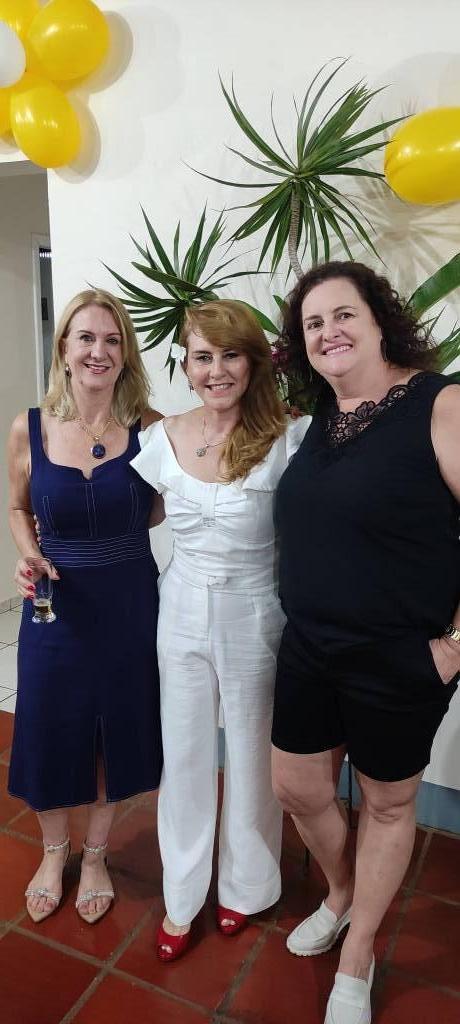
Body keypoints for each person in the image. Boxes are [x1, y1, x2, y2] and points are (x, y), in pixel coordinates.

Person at [271, 260, 460, 1024]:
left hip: (398, 657)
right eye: (313, 324)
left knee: (387, 803)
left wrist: (454, 645)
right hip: (309, 646)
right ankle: (343, 893)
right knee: (297, 787)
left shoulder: (441, 404)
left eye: (343, 314)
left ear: (380, 318)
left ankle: (358, 951)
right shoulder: (322, 416)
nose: (330, 332)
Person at [131, 299, 310, 960]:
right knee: (183, 756)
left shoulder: (288, 438)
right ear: (186, 364)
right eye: (202, 356)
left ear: (254, 361)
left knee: (252, 757)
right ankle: (181, 896)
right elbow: (128, 519)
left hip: (254, 613)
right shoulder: (161, 439)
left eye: (230, 354)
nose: (216, 370)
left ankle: (246, 885)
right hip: (178, 611)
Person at [8, 289, 164, 925]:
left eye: (112, 339)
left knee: (113, 729)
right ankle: (54, 851)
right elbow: (18, 507)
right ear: (65, 349)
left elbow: (162, 508)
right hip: (55, 605)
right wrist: (30, 554)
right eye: (86, 338)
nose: (99, 351)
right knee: (50, 724)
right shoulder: (30, 426)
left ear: (125, 354)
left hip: (128, 603)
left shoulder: (153, 429)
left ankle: (95, 855)